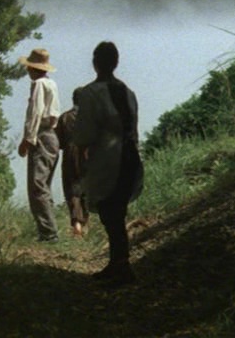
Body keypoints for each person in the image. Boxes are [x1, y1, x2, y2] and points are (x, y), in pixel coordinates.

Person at [73, 41, 144, 287]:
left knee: (109, 211)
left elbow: (84, 133)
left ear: (95, 63)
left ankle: (121, 265)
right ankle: (118, 262)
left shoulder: (91, 93)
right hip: (130, 156)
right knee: (117, 210)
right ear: (116, 62)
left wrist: (82, 154)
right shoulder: (128, 93)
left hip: (107, 159)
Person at [18, 48, 61, 243]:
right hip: (51, 136)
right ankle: (48, 231)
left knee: (37, 185)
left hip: (42, 135)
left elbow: (35, 113)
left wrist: (27, 139)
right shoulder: (51, 83)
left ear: (32, 68)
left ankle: (48, 232)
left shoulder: (38, 84)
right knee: (44, 185)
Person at [54, 87, 89, 236]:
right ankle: (85, 223)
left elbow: (58, 142)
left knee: (71, 189)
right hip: (88, 154)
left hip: (69, 154)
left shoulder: (64, 117)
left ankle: (77, 224)